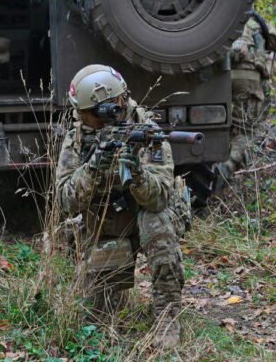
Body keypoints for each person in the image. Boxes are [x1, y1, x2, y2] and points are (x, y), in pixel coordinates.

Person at [55, 64, 191, 349]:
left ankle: (167, 316)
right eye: (88, 114)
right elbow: (64, 201)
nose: (90, 119)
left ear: (119, 101)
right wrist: (92, 169)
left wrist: (137, 176)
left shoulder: (148, 132)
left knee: (157, 222)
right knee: (98, 318)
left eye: (93, 113)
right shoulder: (78, 139)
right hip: (107, 223)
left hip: (147, 214)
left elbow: (160, 198)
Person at [225, 13, 276, 175]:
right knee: (244, 131)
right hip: (247, 82)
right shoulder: (257, 23)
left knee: (220, 127)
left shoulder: (213, 19)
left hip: (216, 80)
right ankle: (225, 172)